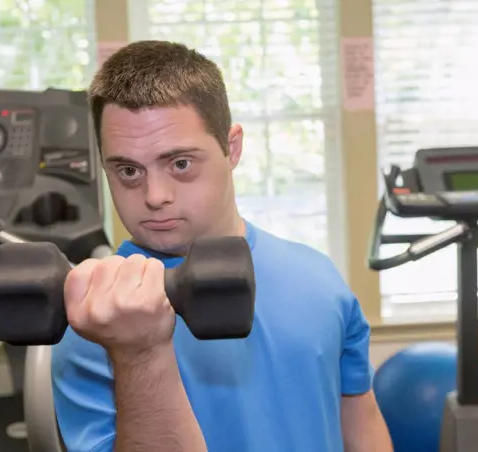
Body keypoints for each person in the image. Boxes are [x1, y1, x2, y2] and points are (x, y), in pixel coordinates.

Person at [52, 40, 393, 452]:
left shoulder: (319, 277)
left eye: (180, 163)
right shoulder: (95, 315)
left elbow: (361, 422)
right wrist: (138, 352)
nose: (155, 195)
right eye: (128, 170)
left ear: (231, 148)